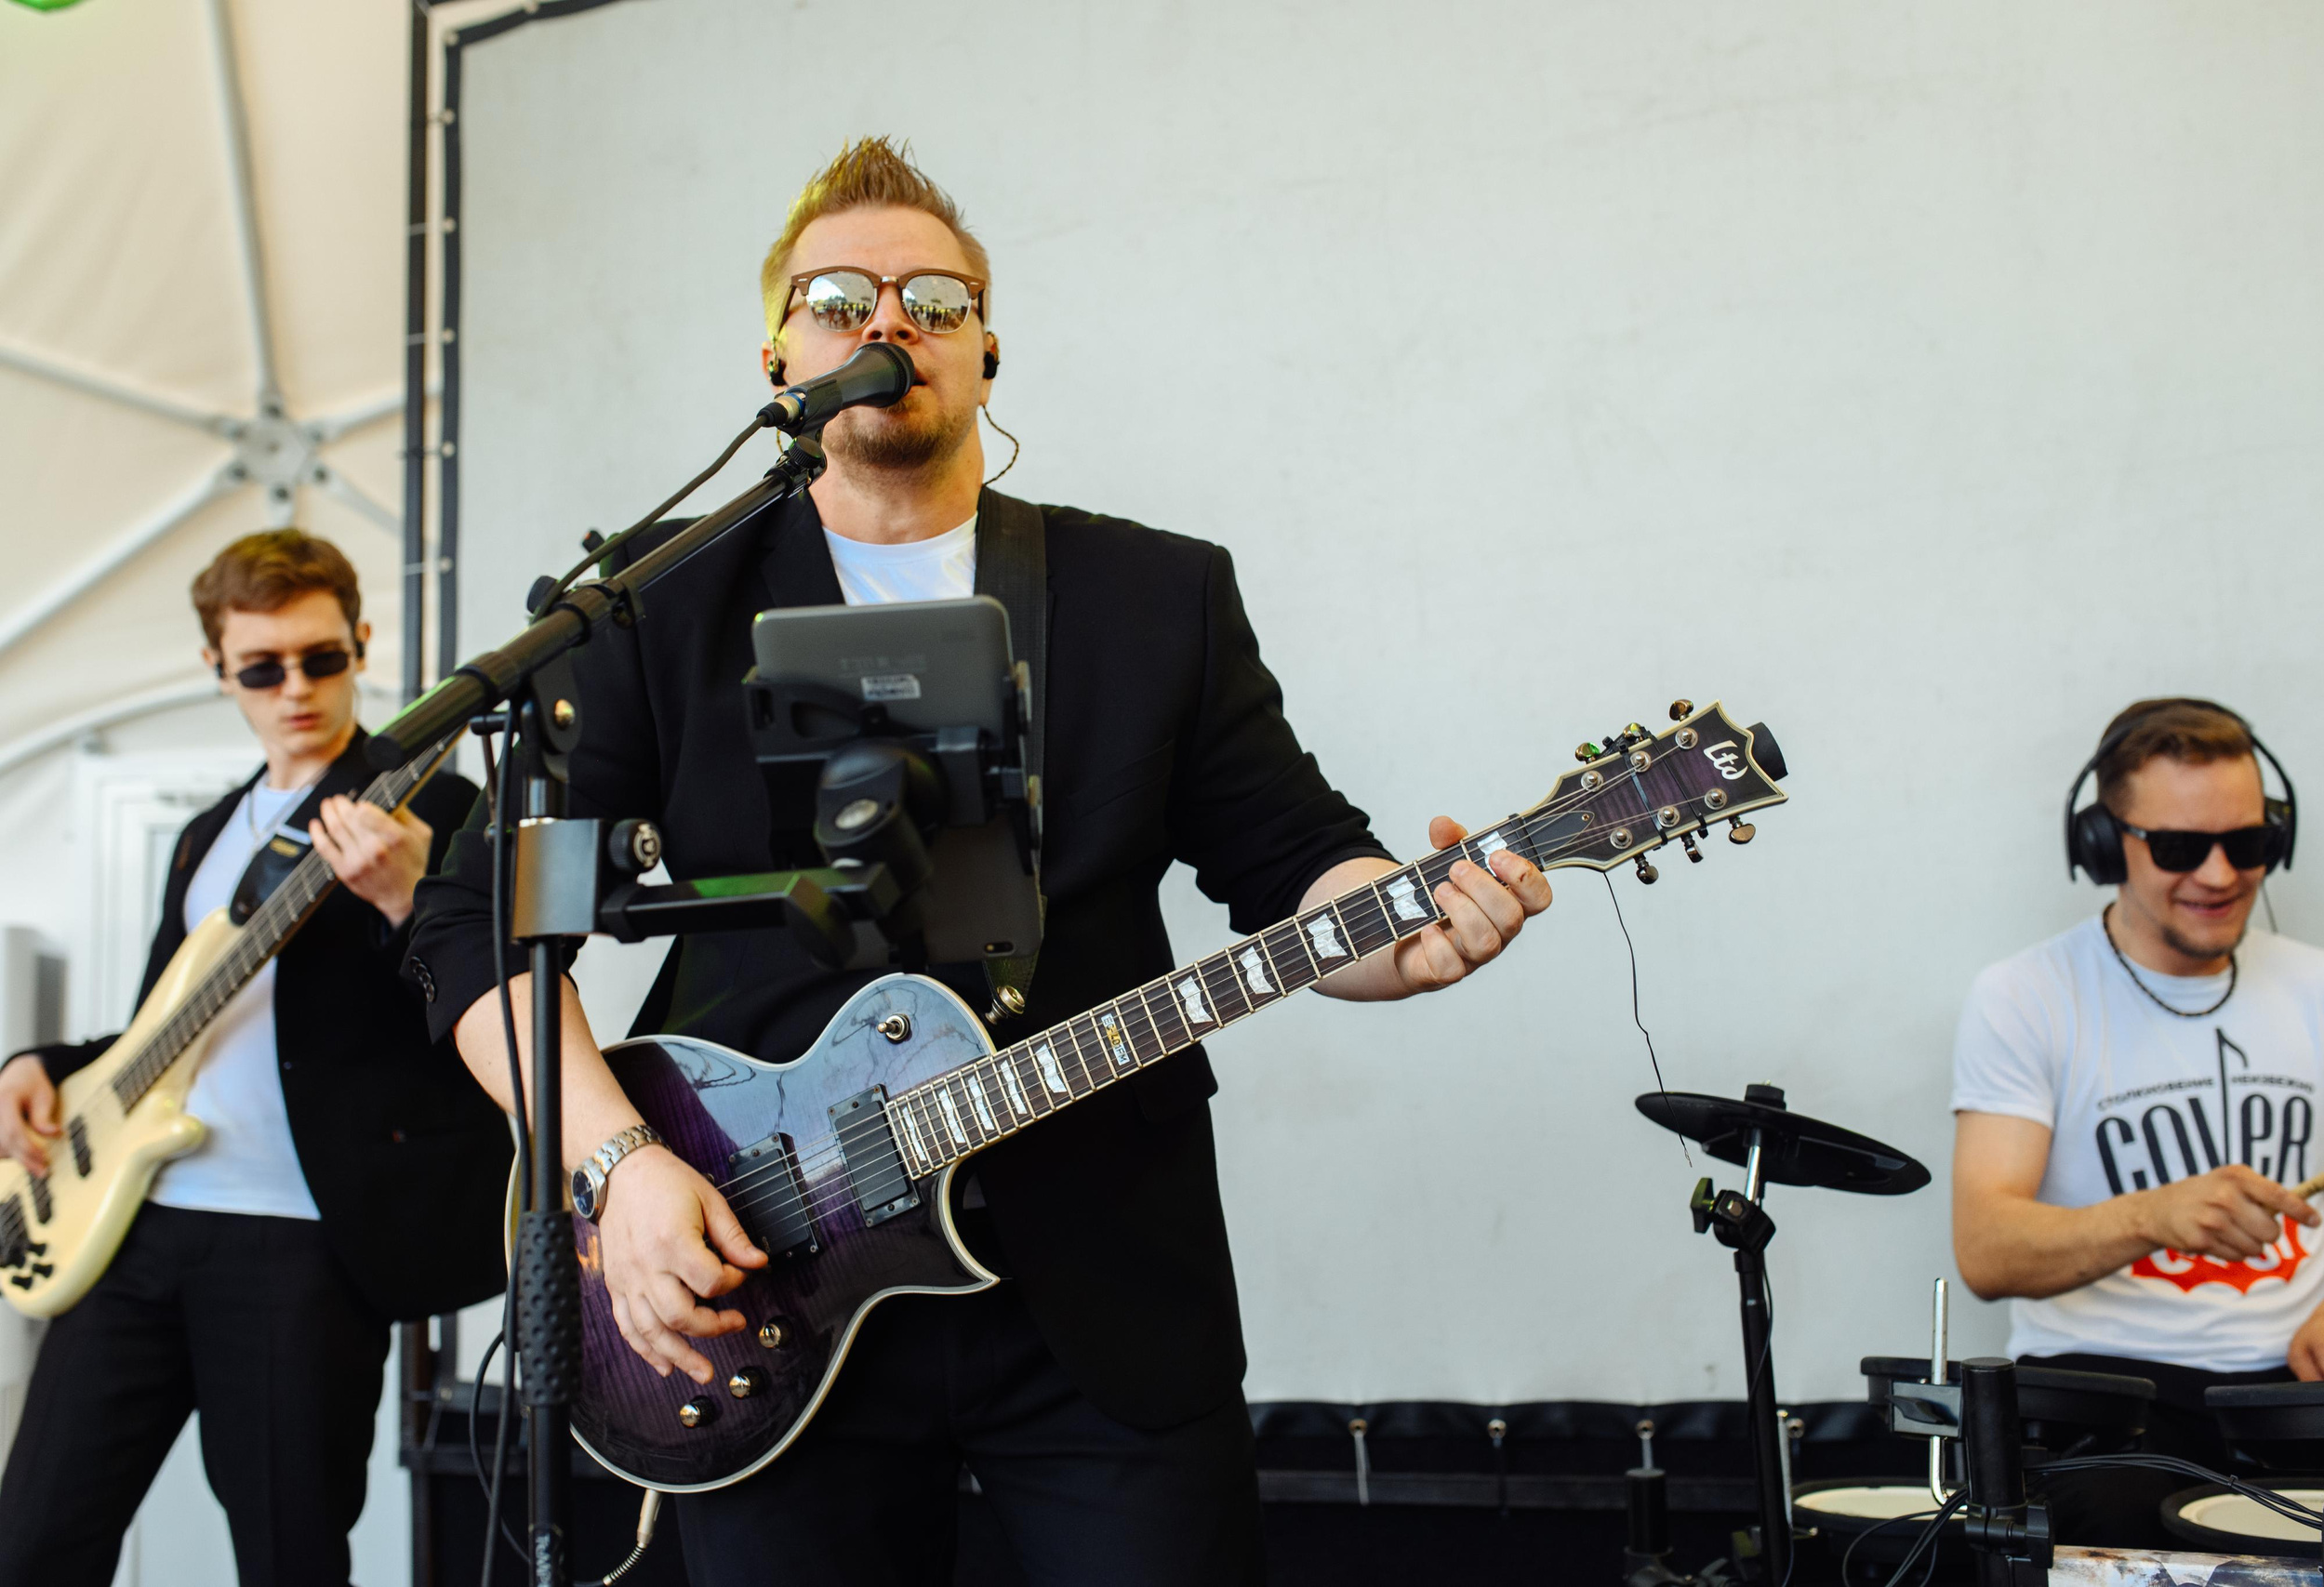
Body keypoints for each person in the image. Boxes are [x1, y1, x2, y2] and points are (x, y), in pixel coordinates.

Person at [406, 138, 1554, 1585]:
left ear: (988, 354)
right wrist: (618, 1164)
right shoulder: (659, 608)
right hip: (763, 1273)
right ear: (780, 359)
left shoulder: (1154, 595)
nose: (887, 324)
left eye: (933, 301)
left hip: (1100, 1290)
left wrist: (1414, 931)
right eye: (840, 297)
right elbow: (482, 923)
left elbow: (1299, 863)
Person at [0, 531, 511, 1585]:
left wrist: (412, 903)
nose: (297, 690)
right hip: (137, 1229)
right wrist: (41, 1060)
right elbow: (153, 1025)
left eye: (323, 659)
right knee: (36, 1538)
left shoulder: (435, 806)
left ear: (362, 643)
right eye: (263, 669)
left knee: (289, 1558)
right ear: (217, 671)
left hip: (300, 1245)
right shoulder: (205, 834)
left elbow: (494, 1011)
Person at [1950, 696, 2324, 1545]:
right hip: (2107, 1399)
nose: (2220, 875)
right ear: (2105, 843)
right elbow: (1986, 1246)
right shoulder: (2027, 997)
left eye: (2248, 843)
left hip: (2293, 1390)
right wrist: (2155, 1214)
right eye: (2181, 847)